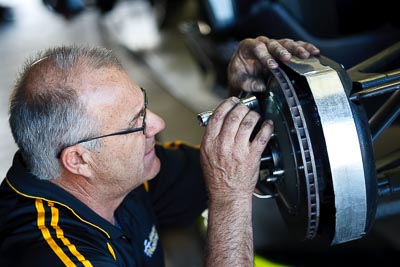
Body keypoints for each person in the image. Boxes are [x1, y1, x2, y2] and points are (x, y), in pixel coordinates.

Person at [0, 37, 319, 266]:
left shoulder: (124, 175)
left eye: (145, 106)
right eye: (135, 123)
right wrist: (230, 199)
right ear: (80, 160)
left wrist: (248, 102)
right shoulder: (57, 255)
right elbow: (228, 186)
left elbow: (227, 168)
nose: (158, 123)